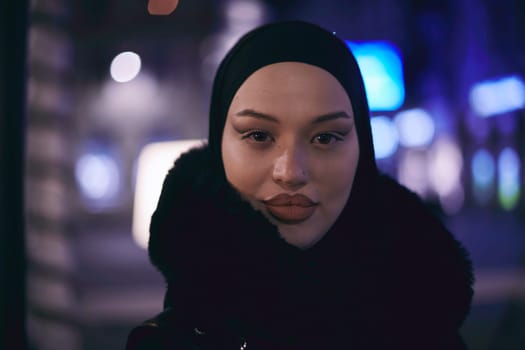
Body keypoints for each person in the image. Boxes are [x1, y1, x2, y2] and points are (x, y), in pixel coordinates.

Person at [126, 21, 473, 350]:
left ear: (362, 149)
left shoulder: (425, 318)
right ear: (219, 147)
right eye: (259, 135)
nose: (291, 172)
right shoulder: (174, 341)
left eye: (325, 137)